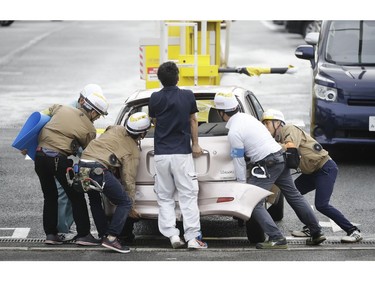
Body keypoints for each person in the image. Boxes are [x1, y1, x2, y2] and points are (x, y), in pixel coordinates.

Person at [213, 92, 326, 249]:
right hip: (280, 157)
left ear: (221, 112)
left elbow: (238, 160)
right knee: (294, 196)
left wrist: (241, 185)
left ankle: (276, 238)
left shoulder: (234, 132)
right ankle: (316, 232)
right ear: (236, 107)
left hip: (268, 163)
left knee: (252, 201)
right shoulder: (249, 119)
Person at [261, 109, 363, 243]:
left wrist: (268, 147)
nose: (265, 127)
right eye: (263, 124)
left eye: (267, 123)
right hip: (311, 172)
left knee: (321, 204)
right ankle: (311, 227)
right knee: (294, 195)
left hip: (325, 168)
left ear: (277, 123)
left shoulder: (289, 129)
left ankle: (353, 231)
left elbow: (290, 148)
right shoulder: (277, 139)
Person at [34, 89, 109, 246]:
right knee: (76, 196)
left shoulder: (61, 107)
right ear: (93, 111)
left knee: (50, 197)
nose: (97, 118)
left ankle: (51, 235)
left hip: (39, 157)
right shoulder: (89, 129)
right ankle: (84, 235)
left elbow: (40, 117)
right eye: (98, 114)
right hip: (58, 159)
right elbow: (87, 153)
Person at [148, 61, 207, 249]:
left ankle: (172, 235)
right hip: (182, 154)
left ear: (160, 79)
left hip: (161, 155)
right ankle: (192, 238)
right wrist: (195, 144)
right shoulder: (187, 96)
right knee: (188, 196)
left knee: (164, 197)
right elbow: (193, 121)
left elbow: (155, 122)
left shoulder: (154, 98)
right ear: (178, 77)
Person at [78, 112, 151, 253]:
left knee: (94, 200)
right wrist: (131, 207)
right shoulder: (132, 152)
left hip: (82, 165)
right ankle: (111, 238)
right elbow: (128, 180)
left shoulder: (116, 128)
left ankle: (104, 235)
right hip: (98, 169)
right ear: (142, 134)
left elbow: (108, 130)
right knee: (124, 202)